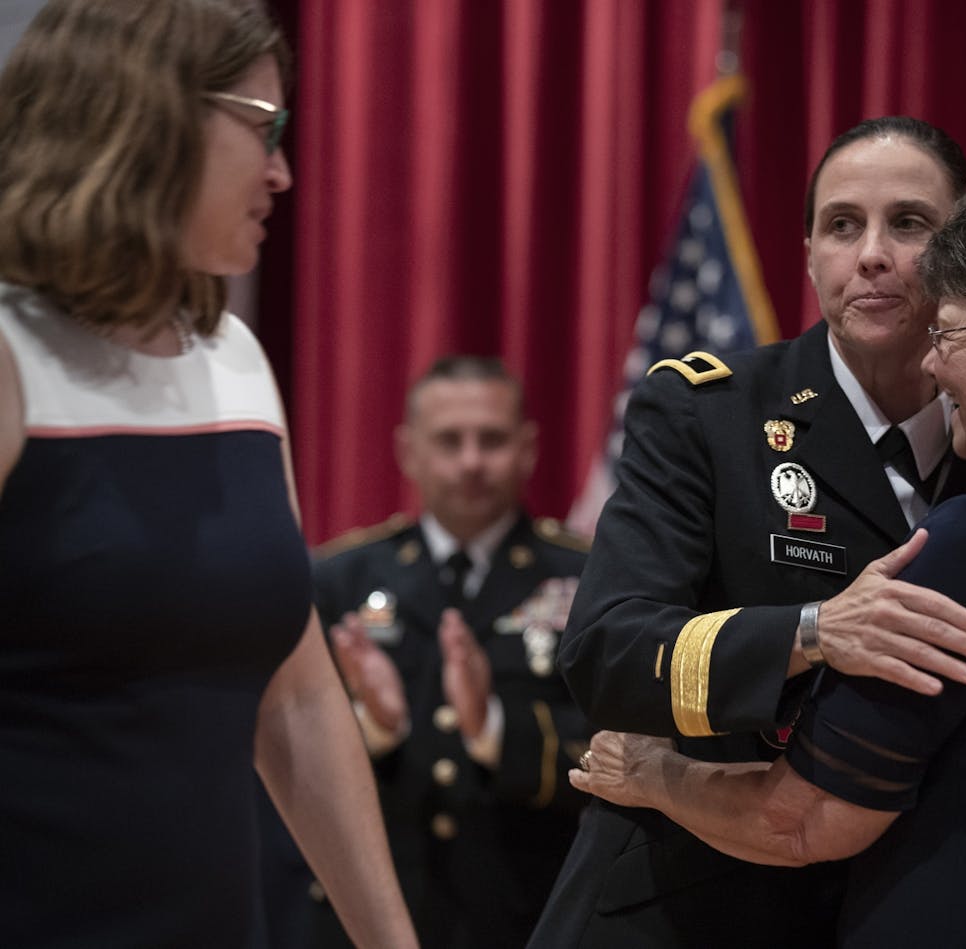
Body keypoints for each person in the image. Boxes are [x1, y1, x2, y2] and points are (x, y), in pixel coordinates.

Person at [530, 117, 966, 948]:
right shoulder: (711, 414)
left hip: (891, 897)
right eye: (840, 225)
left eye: (908, 223)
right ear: (807, 254)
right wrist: (810, 631)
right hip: (693, 906)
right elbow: (606, 649)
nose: (871, 255)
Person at [0, 1, 416, 946]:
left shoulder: (232, 356)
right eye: (263, 127)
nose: (283, 170)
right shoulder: (10, 352)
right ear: (145, 118)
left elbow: (300, 698)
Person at [262, 356, 592, 948]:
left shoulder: (589, 579)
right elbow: (285, 757)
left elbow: (623, 750)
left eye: (490, 440)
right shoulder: (336, 580)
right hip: (373, 921)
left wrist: (492, 728)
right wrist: (374, 729)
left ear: (528, 447)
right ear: (408, 451)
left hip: (529, 916)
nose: (470, 461)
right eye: (449, 441)